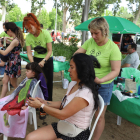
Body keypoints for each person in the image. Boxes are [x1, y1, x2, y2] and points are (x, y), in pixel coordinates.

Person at [25, 53, 100, 140]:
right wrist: (44, 102)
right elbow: (63, 104)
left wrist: (41, 106)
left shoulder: (85, 93)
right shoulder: (73, 83)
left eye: (72, 67)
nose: (68, 70)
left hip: (77, 133)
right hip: (64, 126)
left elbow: (62, 115)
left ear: (81, 69)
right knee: (30, 138)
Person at [74, 17, 121, 140]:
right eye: (91, 33)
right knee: (83, 111)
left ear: (105, 31)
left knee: (98, 116)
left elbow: (116, 71)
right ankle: (80, 134)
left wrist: (101, 80)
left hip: (104, 85)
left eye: (96, 33)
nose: (93, 36)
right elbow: (76, 55)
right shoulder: (90, 42)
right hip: (88, 82)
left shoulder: (113, 48)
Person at [0, 62, 45, 137]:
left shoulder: (32, 82)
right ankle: (1, 127)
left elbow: (31, 97)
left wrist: (27, 105)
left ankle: (3, 129)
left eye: (27, 71)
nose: (25, 72)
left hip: (20, 102)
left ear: (33, 73)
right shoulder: (29, 79)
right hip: (18, 99)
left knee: (2, 107)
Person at [23, 13, 53, 101]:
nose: (29, 31)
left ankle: (48, 103)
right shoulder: (28, 37)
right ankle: (37, 103)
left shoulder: (45, 33)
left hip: (47, 59)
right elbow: (29, 53)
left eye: (30, 28)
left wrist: (44, 61)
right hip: (36, 59)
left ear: (35, 24)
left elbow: (50, 50)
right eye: (27, 29)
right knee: (36, 83)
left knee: (48, 82)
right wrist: (33, 64)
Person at [0, 22, 24, 99]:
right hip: (12, 61)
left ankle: (24, 98)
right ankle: (1, 101)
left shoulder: (15, 40)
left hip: (14, 62)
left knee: (14, 84)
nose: (6, 33)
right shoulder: (16, 39)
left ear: (10, 30)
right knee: (5, 81)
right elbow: (14, 46)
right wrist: (9, 42)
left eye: (5, 31)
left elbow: (4, 52)